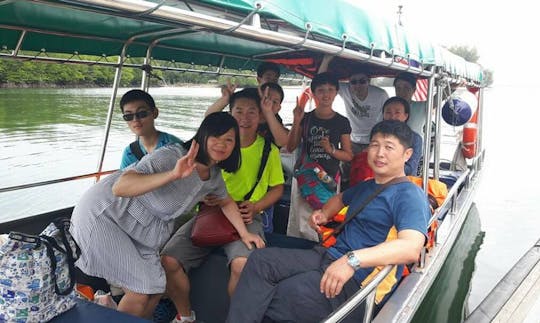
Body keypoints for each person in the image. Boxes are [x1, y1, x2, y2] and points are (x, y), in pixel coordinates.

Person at [226, 120, 430, 323]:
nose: (380, 153)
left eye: (389, 147)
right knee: (261, 261)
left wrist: (352, 261)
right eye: (375, 145)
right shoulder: (369, 186)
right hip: (328, 256)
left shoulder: (409, 194)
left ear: (407, 155)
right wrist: (323, 213)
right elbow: (340, 199)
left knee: (284, 294)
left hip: (356, 281)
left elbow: (410, 247)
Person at [69, 112, 263, 319]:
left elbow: (226, 202)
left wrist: (244, 234)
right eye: (216, 136)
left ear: (235, 146)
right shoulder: (172, 155)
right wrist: (173, 174)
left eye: (229, 140)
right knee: (141, 290)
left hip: (141, 230)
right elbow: (121, 186)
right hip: (107, 215)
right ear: (203, 135)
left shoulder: (212, 176)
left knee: (155, 288)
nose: (221, 144)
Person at [161, 88, 284, 323]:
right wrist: (201, 198)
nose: (244, 117)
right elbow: (199, 175)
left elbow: (277, 188)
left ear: (261, 115)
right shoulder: (216, 146)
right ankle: (185, 316)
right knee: (168, 259)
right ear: (230, 112)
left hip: (246, 215)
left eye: (252, 112)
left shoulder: (268, 150)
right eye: (238, 110)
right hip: (209, 213)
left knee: (242, 264)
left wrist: (257, 206)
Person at [286, 72, 353, 241]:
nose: (326, 94)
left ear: (336, 93)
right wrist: (296, 121)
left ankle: (321, 248)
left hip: (328, 179)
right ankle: (298, 250)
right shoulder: (306, 118)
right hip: (304, 177)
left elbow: (348, 155)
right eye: (321, 90)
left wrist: (331, 150)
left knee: (325, 218)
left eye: (330, 89)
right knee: (300, 221)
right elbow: (290, 146)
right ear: (314, 93)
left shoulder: (342, 121)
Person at [319, 55, 389, 154]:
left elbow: (386, 120)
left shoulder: (381, 94)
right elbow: (321, 81)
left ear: (368, 81)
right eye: (353, 82)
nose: (358, 86)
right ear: (349, 83)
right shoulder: (345, 90)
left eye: (362, 81)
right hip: (351, 141)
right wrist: (326, 59)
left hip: (373, 141)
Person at [205, 81, 289, 147]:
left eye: (274, 101)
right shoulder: (237, 117)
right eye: (266, 98)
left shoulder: (274, 122)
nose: (269, 103)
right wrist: (225, 100)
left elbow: (283, 142)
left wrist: (268, 112)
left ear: (279, 108)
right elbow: (209, 119)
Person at [119, 89, 182, 169]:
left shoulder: (174, 146)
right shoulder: (129, 153)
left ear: (155, 113)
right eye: (129, 116)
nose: (135, 120)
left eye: (142, 113)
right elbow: (123, 180)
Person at [383, 96, 423, 176]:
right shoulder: (377, 136)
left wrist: (384, 166)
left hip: (404, 182)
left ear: (405, 116)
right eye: (388, 112)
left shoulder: (415, 139)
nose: (392, 117)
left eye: (397, 113)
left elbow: (410, 168)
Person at [393, 72, 429, 142]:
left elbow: (438, 98)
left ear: (414, 89)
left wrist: (452, 88)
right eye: (398, 88)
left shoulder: (421, 106)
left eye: (406, 88)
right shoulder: (389, 106)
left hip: (415, 148)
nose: (402, 92)